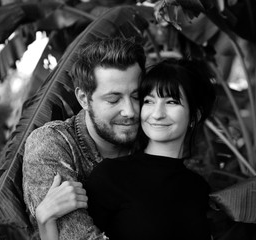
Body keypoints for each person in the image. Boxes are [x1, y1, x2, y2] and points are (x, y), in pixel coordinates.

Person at [22, 37, 146, 240]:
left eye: (136, 96)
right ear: (83, 99)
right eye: (113, 99)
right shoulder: (52, 143)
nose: (130, 111)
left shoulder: (150, 135)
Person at [85, 58, 216, 240]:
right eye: (149, 101)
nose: (157, 114)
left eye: (171, 102)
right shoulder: (111, 176)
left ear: (195, 116)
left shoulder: (198, 188)